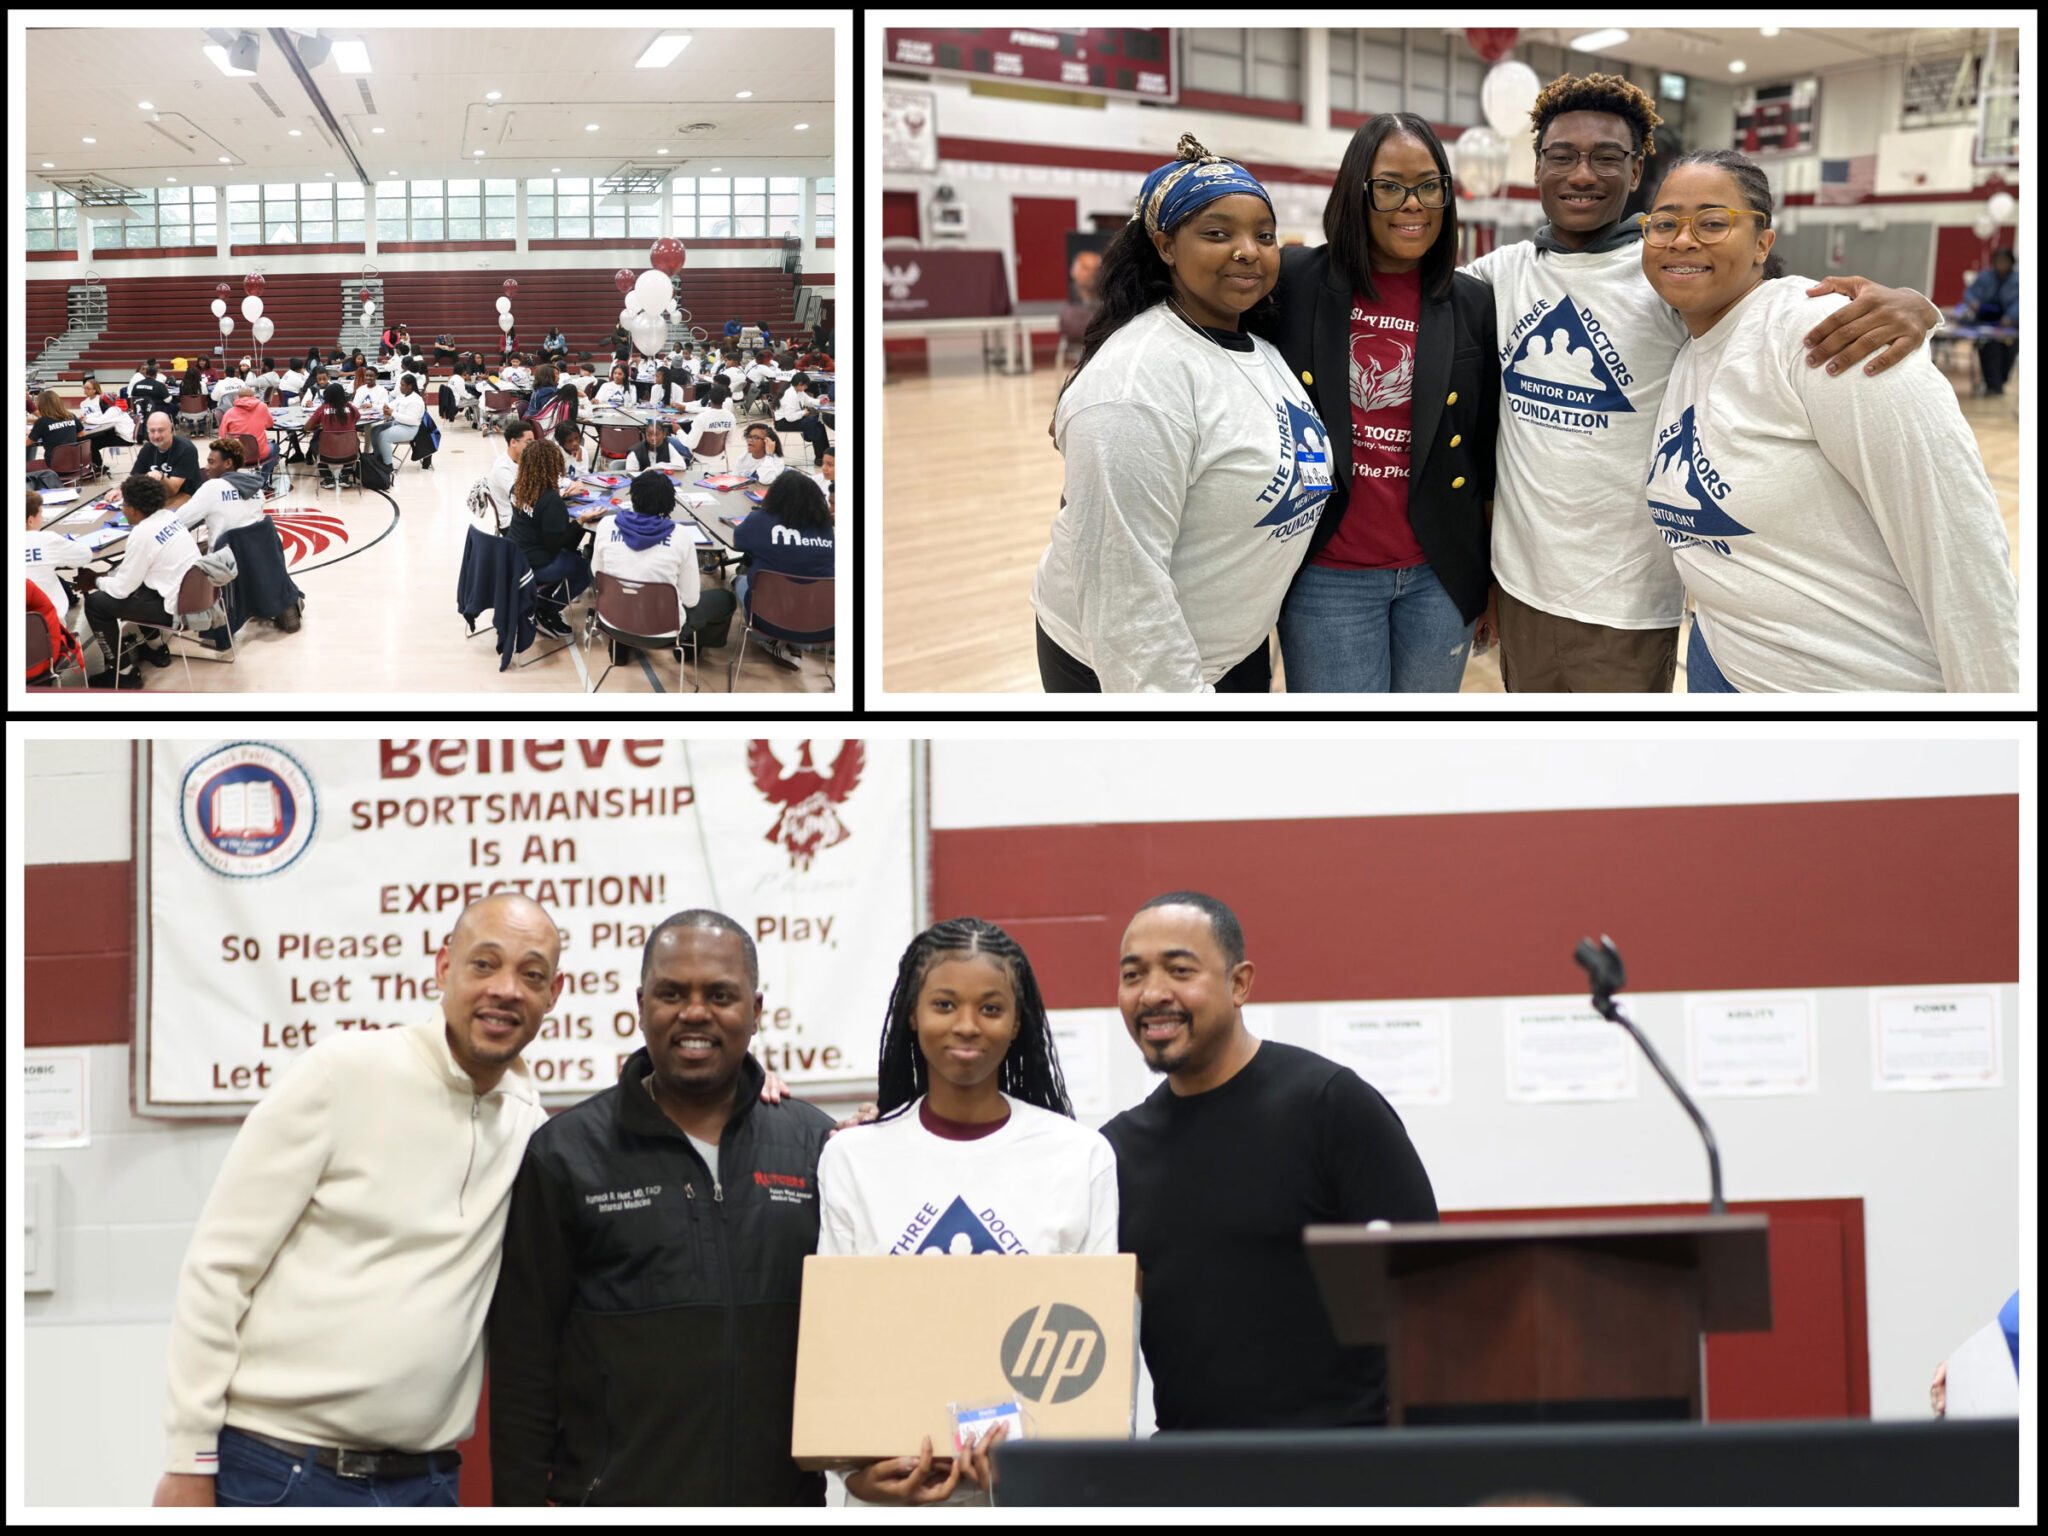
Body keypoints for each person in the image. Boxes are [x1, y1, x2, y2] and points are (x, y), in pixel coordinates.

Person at [1464, 72, 1945, 692]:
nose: (1582, 174)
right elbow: (1409, 298)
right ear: (1537, 166)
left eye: (1607, 158)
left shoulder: (1669, 271)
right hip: (1520, 587)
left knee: (1621, 785)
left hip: (1628, 603)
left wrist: (1917, 307)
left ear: (1637, 172)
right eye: (1562, 156)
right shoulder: (1498, 275)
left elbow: (1774, 308)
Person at [151, 895, 567, 1508]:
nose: (505, 989)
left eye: (530, 975)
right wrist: (188, 1460)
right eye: (484, 964)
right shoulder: (341, 1074)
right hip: (280, 1472)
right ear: (442, 968)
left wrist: (751, 1093)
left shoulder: (529, 1127)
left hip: (426, 1485)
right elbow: (219, 1269)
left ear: (553, 996)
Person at [488, 911, 834, 1507]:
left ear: (755, 1012)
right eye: (672, 994)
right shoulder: (567, 1155)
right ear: (641, 1005)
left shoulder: (817, 1149)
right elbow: (524, 1363)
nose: (694, 1012)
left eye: (720, 995)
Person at [1639, 150, 2018, 693]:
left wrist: (1998, 737)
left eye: (1713, 222)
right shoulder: (1687, 343)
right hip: (1723, 658)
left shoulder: (1827, 333)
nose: (1682, 239)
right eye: (1665, 223)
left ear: (1762, 244)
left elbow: (1961, 555)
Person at [1103, 891, 1438, 1432]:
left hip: (1342, 1471)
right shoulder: (1115, 1151)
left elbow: (1428, 1298)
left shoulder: (1330, 1106)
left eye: (1180, 970)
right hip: (1189, 1479)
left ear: (1240, 984)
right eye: (1133, 975)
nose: (1153, 994)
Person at [821, 918, 1118, 1508]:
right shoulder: (853, 1157)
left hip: (1036, 1495)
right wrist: (853, 1472)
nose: (965, 1025)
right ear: (912, 1013)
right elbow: (839, 1339)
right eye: (944, 1004)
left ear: (1016, 1023)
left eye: (990, 1008)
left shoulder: (1080, 1155)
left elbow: (1099, 1346)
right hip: (896, 1499)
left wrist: (1036, 1463)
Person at [1033, 133, 1331, 692]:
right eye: (1217, 233)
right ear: (1166, 245)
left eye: (1263, 236)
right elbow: (1125, 593)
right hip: (1134, 670)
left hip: (1231, 651)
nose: (1248, 250)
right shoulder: (1136, 385)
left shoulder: (1258, 346)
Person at [1264, 113, 1500, 692]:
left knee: (1419, 758)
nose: (1411, 203)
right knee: (1344, 766)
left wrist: (1488, 582)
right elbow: (1189, 316)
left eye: (1428, 185)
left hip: (1438, 577)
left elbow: (1486, 455)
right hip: (1326, 574)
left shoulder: (1472, 302)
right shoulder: (1292, 282)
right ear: (1356, 192)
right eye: (1389, 185)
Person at [588, 469, 737, 658]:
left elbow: (596, 573)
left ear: (632, 495)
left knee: (609, 576)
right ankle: (687, 651)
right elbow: (691, 600)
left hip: (612, 621)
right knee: (725, 599)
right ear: (670, 504)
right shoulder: (681, 535)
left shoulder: (607, 524)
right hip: (663, 631)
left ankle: (620, 647)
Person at [81, 472, 201, 690]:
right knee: (140, 582)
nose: (122, 508)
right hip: (193, 595)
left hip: (173, 608)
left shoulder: (142, 533)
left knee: (96, 603)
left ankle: (123, 673)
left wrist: (96, 580)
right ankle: (156, 649)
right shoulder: (169, 516)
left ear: (135, 508)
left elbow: (121, 590)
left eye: (124, 504)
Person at [733, 469, 833, 668]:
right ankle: (793, 646)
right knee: (802, 587)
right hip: (822, 623)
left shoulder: (760, 520)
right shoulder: (826, 528)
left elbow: (737, 542)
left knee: (740, 580)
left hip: (768, 619)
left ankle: (771, 641)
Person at [504, 436, 588, 639]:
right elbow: (557, 546)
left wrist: (559, 497)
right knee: (586, 568)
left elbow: (538, 507)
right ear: (553, 464)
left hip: (515, 556)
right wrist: (580, 521)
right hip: (536, 564)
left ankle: (542, 599)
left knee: (571, 554)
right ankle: (547, 608)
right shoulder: (551, 501)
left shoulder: (520, 487)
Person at [177, 438, 273, 558]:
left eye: (211, 462)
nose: (206, 467)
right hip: (253, 559)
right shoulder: (257, 491)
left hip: (222, 565)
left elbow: (179, 521)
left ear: (228, 463)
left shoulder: (212, 487)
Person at [23, 484, 96, 619]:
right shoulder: (47, 539)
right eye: (41, 514)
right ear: (30, 521)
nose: (43, 519)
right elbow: (85, 555)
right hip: (50, 622)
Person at [1957, 248, 2018, 395]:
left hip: (2009, 323)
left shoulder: (2018, 280)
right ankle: (1992, 384)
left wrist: (2010, 317)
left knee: (2008, 351)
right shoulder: (1985, 277)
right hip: (1986, 321)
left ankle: (1999, 382)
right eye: (1998, 262)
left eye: (2004, 262)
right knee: (1988, 349)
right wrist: (1973, 302)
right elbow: (1969, 292)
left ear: (2011, 262)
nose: (2001, 265)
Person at [217, 384, 280, 496]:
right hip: (259, 454)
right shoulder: (262, 407)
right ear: (253, 396)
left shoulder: (229, 413)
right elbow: (270, 423)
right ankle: (263, 482)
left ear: (238, 397)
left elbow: (222, 435)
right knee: (275, 447)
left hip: (237, 456)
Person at [131, 411, 204, 501]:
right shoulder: (147, 448)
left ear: (171, 428)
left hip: (186, 498)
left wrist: (160, 476)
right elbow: (133, 477)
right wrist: (118, 490)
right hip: (157, 498)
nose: (156, 436)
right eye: (152, 431)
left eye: (161, 430)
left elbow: (172, 491)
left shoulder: (186, 449)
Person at [303, 383, 361, 490]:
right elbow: (356, 419)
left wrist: (321, 424)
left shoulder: (322, 409)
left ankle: (328, 477)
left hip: (327, 453)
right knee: (354, 440)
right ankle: (345, 476)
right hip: (349, 452)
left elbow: (307, 427)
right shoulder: (352, 409)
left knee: (315, 442)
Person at [368, 373, 427, 470]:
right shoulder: (403, 396)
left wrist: (392, 413)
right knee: (375, 430)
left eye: (402, 385)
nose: (400, 387)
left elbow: (412, 420)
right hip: (399, 424)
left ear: (410, 386)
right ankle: (378, 457)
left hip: (410, 429)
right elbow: (391, 405)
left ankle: (388, 465)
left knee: (383, 436)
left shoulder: (416, 400)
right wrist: (379, 407)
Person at [487, 418, 535, 531]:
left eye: (534, 442)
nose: (533, 446)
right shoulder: (502, 468)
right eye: (529, 442)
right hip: (511, 523)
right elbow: (521, 493)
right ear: (513, 442)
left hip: (525, 513)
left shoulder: (524, 460)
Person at [772, 372, 830, 462]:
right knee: (814, 425)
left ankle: (826, 454)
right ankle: (820, 458)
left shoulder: (798, 390)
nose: (806, 388)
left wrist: (819, 402)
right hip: (784, 422)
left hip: (793, 418)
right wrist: (804, 412)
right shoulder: (789, 395)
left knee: (818, 423)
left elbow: (808, 400)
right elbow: (789, 418)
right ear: (800, 384)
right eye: (805, 385)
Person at [25, 389, 82, 466]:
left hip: (54, 465)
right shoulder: (71, 416)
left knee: (27, 466)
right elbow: (82, 433)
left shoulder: (42, 422)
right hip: (75, 463)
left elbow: (27, 442)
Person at [626, 418, 692, 472]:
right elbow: (631, 475)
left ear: (664, 434)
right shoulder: (635, 452)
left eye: (656, 435)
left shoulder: (668, 446)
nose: (652, 438)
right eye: (649, 435)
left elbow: (682, 466)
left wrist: (655, 467)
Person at [129, 362, 176, 429]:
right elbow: (167, 400)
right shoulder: (160, 385)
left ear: (146, 373)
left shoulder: (137, 384)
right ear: (156, 374)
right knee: (174, 407)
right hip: (157, 410)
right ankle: (170, 426)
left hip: (140, 411)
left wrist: (133, 411)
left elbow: (132, 398)